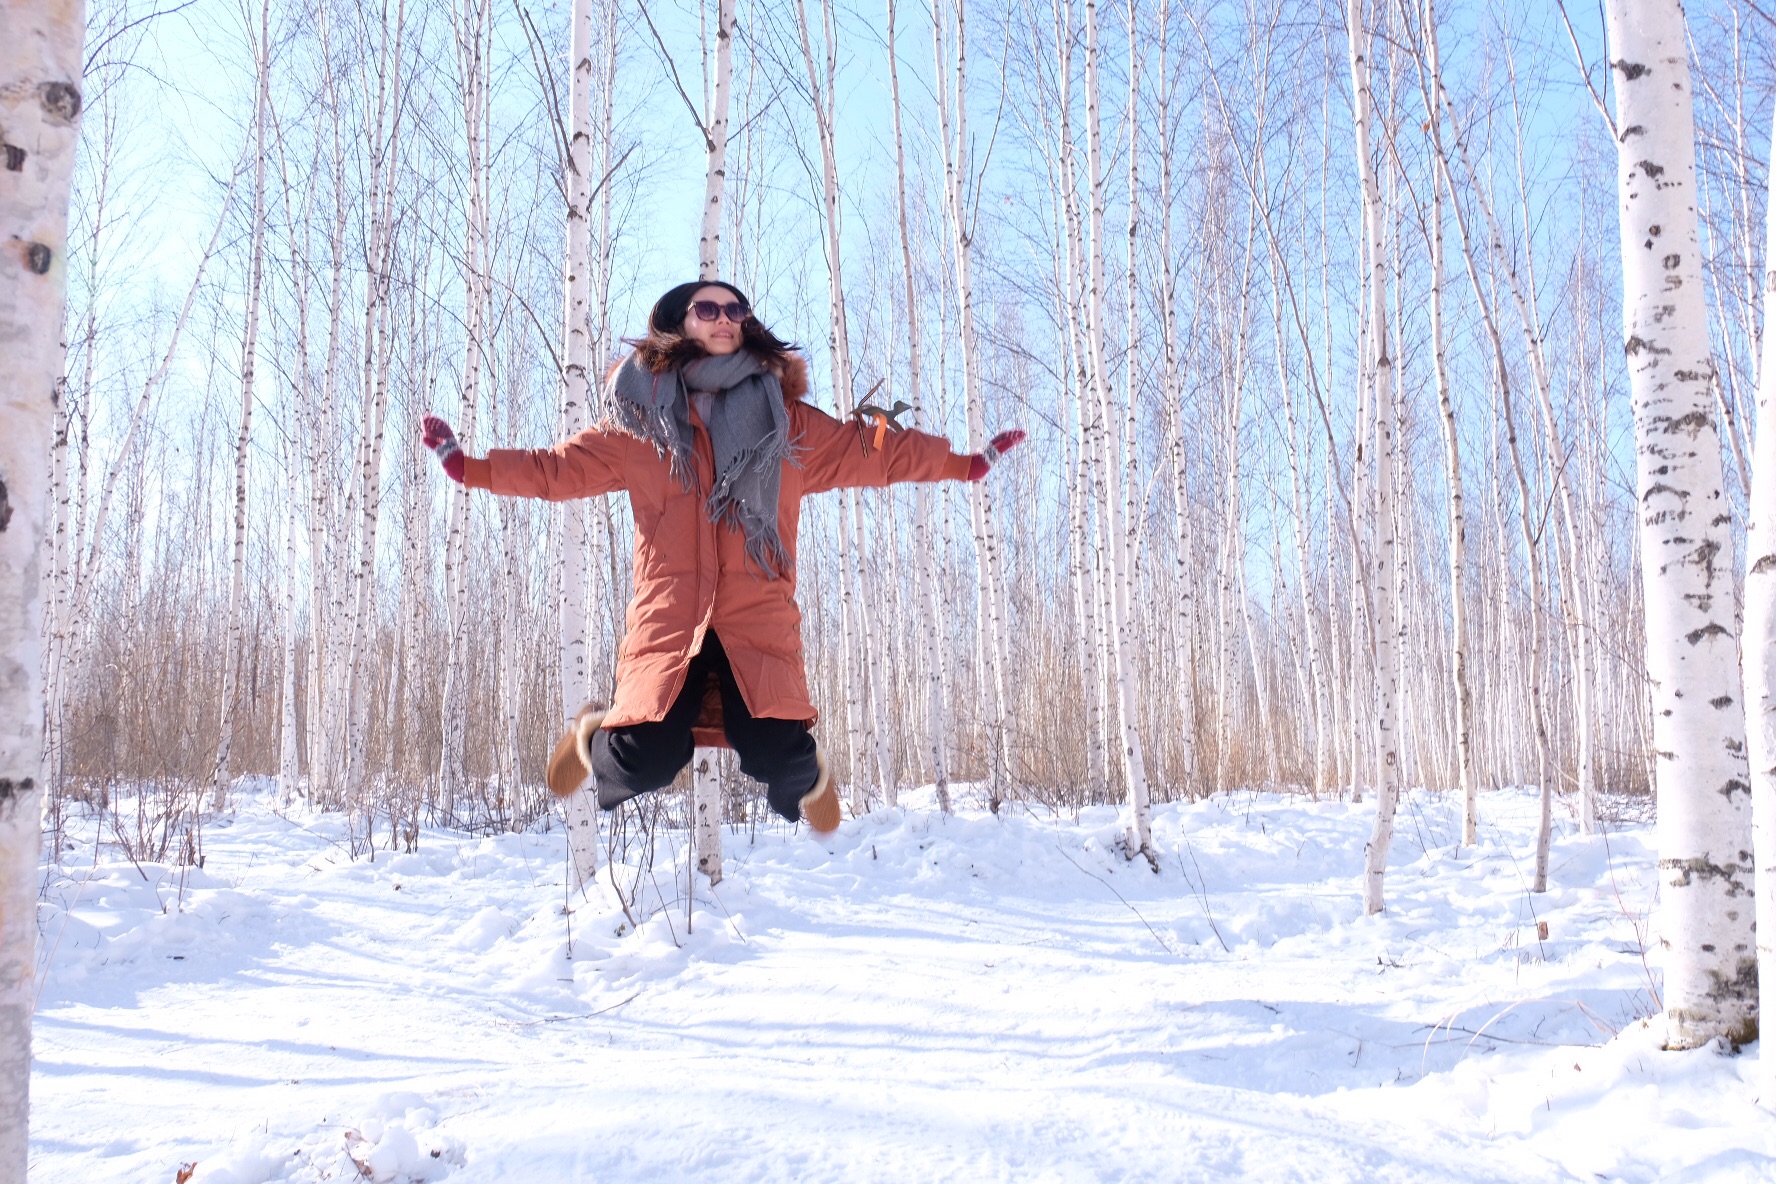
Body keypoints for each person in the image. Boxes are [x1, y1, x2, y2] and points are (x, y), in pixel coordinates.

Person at [420, 281, 1023, 834]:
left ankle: (809, 785)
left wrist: (964, 463)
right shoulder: (639, 431)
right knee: (645, 761)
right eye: (707, 309)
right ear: (678, 325)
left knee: (779, 755)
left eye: (735, 309)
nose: (725, 318)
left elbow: (873, 454)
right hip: (671, 620)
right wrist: (465, 465)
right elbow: (554, 471)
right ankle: (589, 738)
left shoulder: (784, 426)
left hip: (755, 620)